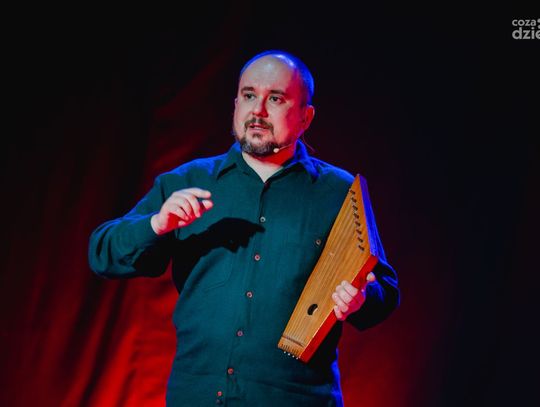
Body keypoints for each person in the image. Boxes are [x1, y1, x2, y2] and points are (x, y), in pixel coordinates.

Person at [88, 50, 400, 406]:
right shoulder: (188, 180)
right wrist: (156, 224)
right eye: (249, 95)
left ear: (306, 116)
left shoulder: (337, 192)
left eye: (276, 99)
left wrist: (361, 299)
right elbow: (102, 253)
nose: (258, 110)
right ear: (236, 104)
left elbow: (384, 291)